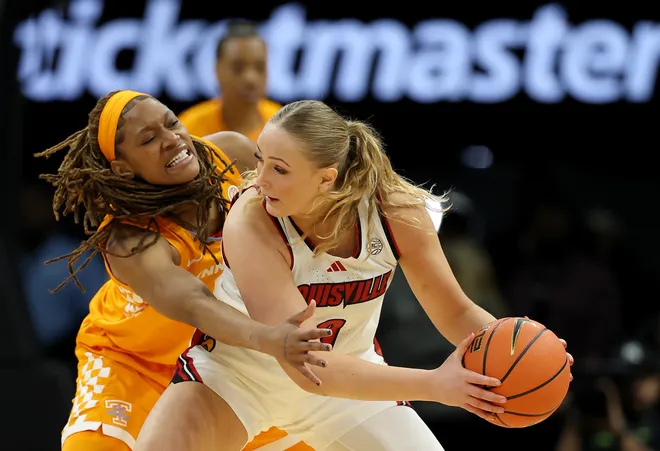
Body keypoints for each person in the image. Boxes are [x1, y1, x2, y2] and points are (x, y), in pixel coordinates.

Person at [134, 100, 575, 451]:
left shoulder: (396, 209)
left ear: (326, 179)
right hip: (239, 378)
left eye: (279, 169)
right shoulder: (250, 219)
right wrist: (436, 385)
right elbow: (308, 364)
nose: (259, 179)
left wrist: (525, 349)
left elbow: (455, 311)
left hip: (353, 380)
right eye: (260, 159)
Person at [35, 91, 331, 451]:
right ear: (123, 168)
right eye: (149, 139)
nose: (171, 139)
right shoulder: (128, 238)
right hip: (133, 366)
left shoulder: (230, 154)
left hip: (220, 362)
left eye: (171, 123)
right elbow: (194, 303)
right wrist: (266, 338)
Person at [178, 20, 281, 143]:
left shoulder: (283, 126)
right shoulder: (189, 129)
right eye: (238, 68)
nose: (250, 78)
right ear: (217, 69)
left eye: (260, 68)